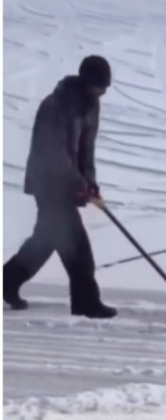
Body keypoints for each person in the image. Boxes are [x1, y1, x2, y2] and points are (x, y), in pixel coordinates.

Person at [3, 55, 117, 319]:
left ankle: (6, 282)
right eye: (100, 86)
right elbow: (55, 153)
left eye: (106, 87)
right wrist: (78, 183)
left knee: (44, 241)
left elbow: (85, 152)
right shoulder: (57, 105)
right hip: (49, 184)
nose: (103, 92)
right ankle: (86, 302)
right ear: (87, 82)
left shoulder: (90, 106)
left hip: (68, 184)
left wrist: (90, 182)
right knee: (77, 248)